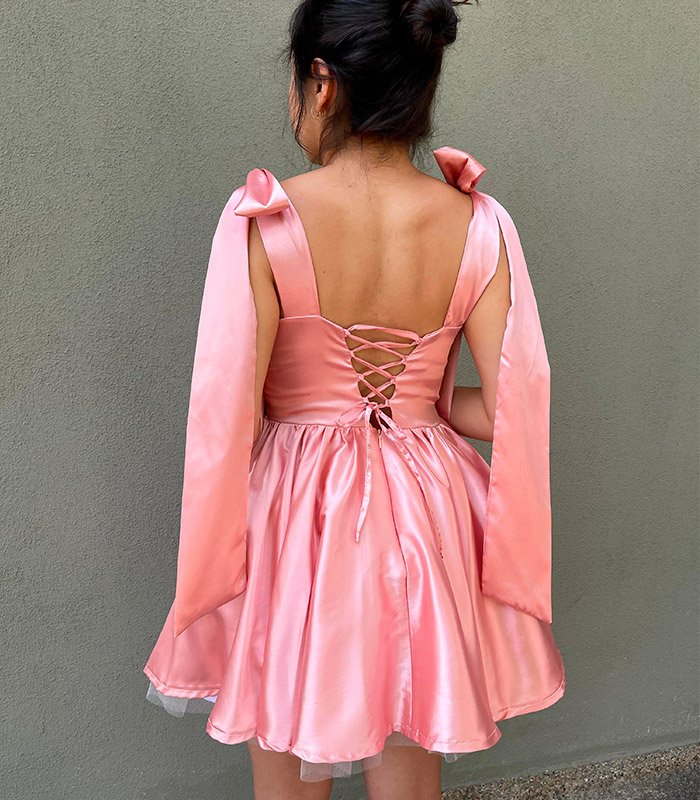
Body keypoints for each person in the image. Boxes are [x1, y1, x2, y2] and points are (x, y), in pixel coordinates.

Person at [143, 1, 566, 798]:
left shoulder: (265, 219)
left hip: (299, 509)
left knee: (288, 745)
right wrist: (425, 405)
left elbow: (228, 413)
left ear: (322, 83)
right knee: (412, 735)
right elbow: (515, 403)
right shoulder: (478, 224)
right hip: (429, 509)